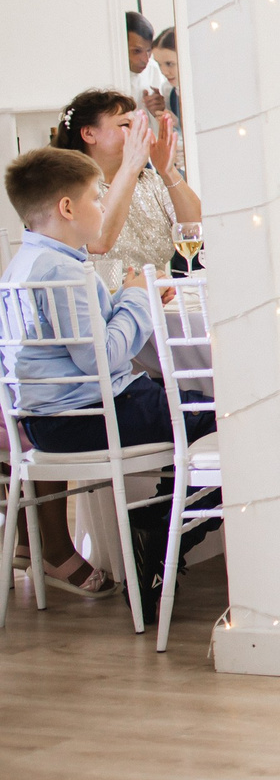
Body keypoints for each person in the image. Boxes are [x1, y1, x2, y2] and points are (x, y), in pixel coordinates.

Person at [1, 147, 219, 610]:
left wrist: (125, 297)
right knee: (227, 417)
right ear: (67, 208)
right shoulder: (63, 272)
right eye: (97, 199)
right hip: (88, 417)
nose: (103, 208)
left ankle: (159, 524)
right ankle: (163, 530)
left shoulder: (24, 265)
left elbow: (86, 342)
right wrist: (139, 299)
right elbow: (101, 359)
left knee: (193, 404)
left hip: (47, 421)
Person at [52, 89, 202, 288]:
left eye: (138, 125)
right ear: (89, 133)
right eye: (125, 125)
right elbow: (99, 243)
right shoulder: (71, 189)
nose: (140, 132)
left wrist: (168, 171)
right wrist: (130, 167)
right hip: (105, 306)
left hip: (160, 297)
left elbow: (196, 229)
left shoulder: (149, 181)